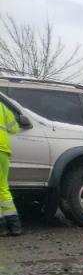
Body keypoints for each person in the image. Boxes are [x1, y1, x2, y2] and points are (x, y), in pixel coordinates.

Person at [0, 97, 21, 236]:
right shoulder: (2, 106)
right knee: (2, 187)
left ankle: (3, 227)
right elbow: (14, 128)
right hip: (4, 150)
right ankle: (14, 226)